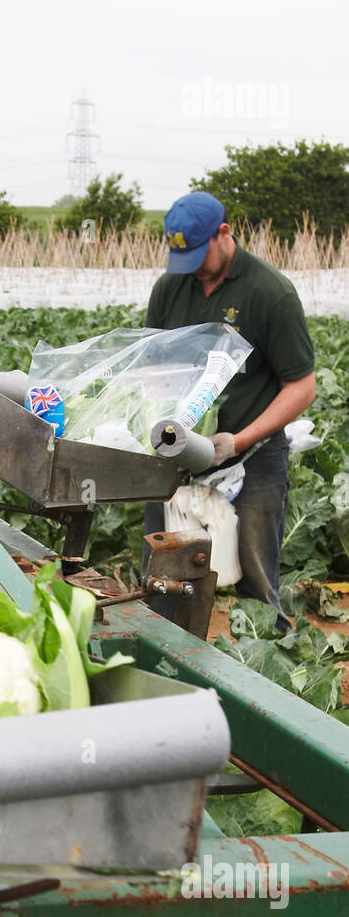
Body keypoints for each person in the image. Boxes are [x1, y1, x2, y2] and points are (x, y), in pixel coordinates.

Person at [145, 190, 316, 628]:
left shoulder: (270, 292)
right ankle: (169, 661)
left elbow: (301, 387)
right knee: (166, 576)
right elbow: (153, 366)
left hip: (252, 456)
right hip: (176, 454)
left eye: (201, 256)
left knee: (255, 579)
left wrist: (234, 441)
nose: (195, 271)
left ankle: (265, 670)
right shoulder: (170, 287)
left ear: (225, 233)